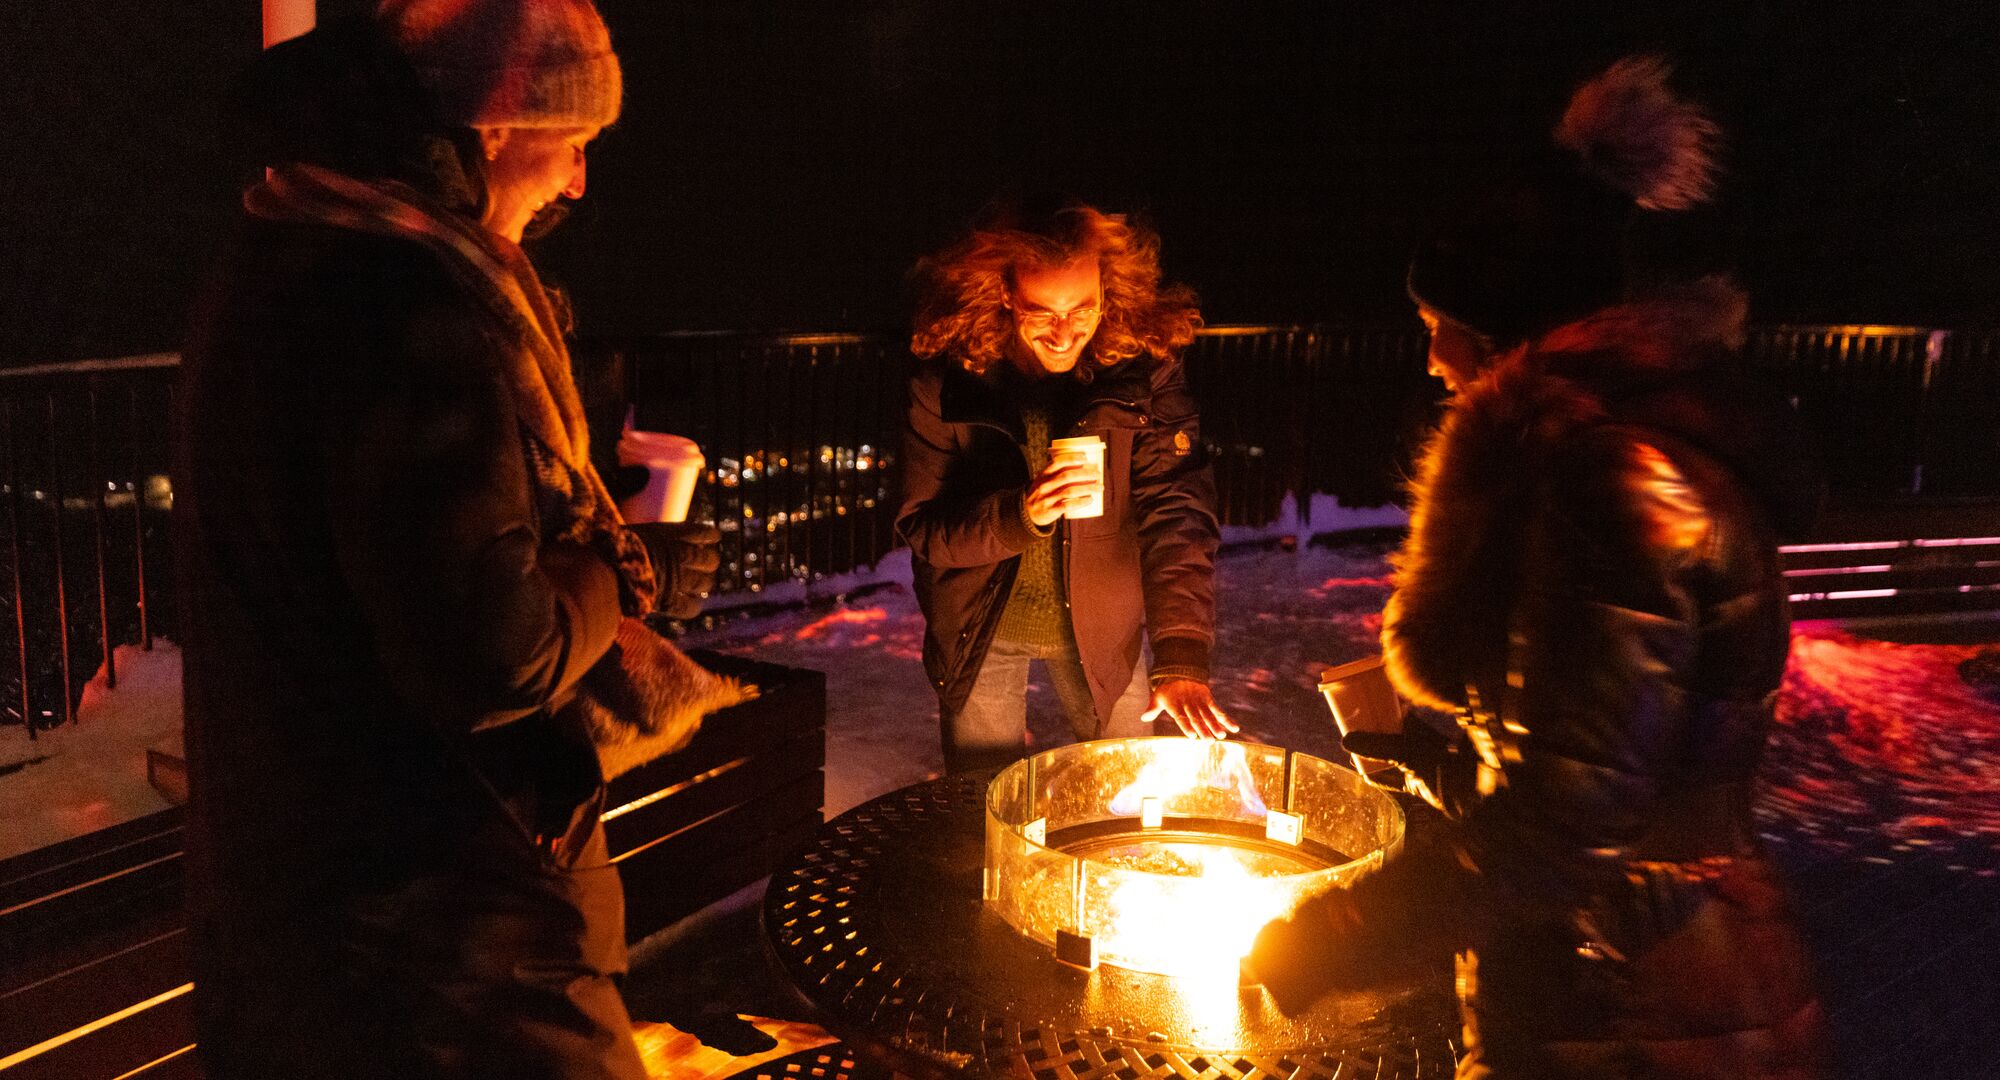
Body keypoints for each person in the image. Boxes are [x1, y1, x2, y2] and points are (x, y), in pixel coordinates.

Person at [175, 5, 740, 1077]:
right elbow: (498, 653)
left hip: (315, 879)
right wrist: (620, 572)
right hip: (430, 914)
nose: (577, 180)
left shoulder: (293, 248)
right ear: (496, 123)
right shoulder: (403, 297)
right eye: (571, 141)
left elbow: (387, 551)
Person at [1248, 58, 1828, 1079]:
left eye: (1443, 331)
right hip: (1637, 963)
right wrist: (1419, 757)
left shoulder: (1612, 482)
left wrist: (1332, 937)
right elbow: (1596, 762)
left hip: (1637, 1005)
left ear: (1507, 339)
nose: (1431, 360)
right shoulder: (1617, 456)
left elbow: (1570, 828)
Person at [898, 203, 1230, 772]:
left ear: (1108, 291)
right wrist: (1019, 515)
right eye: (1041, 311)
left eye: (1083, 309)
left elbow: (1176, 509)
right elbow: (924, 528)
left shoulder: (1143, 372)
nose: (1063, 333)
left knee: (1124, 798)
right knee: (982, 806)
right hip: (981, 629)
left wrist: (1179, 655)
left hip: (1105, 633)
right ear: (1004, 294)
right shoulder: (949, 383)